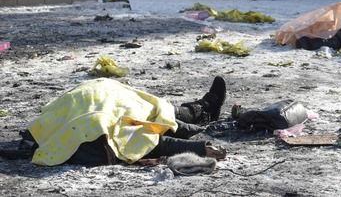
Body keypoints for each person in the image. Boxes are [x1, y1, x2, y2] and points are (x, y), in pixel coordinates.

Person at [16, 76, 227, 167]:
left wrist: (201, 147)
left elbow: (151, 142)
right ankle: (201, 110)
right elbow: (151, 143)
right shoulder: (93, 140)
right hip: (98, 98)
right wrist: (201, 148)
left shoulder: (94, 135)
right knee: (158, 114)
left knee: (159, 112)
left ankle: (201, 110)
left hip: (100, 95)